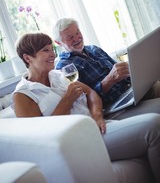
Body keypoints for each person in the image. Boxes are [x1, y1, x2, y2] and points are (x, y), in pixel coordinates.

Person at [11, 32, 160, 182]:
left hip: (97, 127)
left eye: (52, 49)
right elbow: (42, 140)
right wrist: (67, 101)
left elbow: (92, 93)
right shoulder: (23, 95)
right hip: (78, 143)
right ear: (27, 57)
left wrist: (97, 116)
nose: (52, 54)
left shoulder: (58, 75)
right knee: (154, 125)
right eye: (45, 50)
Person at [52, 17, 160, 120]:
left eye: (77, 32)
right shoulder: (63, 67)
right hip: (113, 108)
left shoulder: (93, 49)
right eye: (70, 37)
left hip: (131, 92)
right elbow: (85, 101)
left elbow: (122, 72)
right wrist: (109, 81)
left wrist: (135, 71)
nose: (77, 38)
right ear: (58, 43)